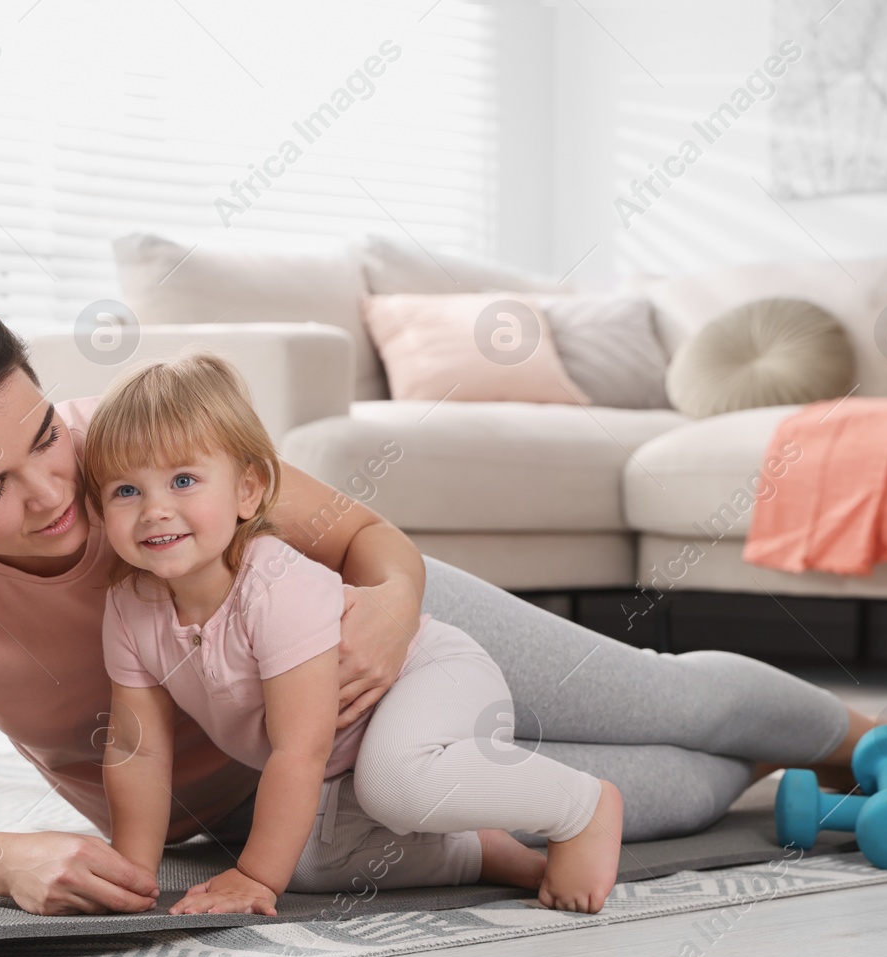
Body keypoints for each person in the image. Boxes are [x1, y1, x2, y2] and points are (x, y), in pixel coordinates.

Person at [0, 291, 887, 916]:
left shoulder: (130, 452)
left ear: (38, 381)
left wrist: (388, 607)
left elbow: (364, 539)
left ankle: (875, 739)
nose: (55, 495)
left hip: (379, 644)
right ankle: (795, 793)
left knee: (662, 694)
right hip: (279, 796)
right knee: (667, 792)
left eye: (40, 435)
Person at [85, 354, 622, 914]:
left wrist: (255, 879)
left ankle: (582, 806)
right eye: (126, 491)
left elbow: (300, 749)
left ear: (248, 491)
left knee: (388, 787)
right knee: (313, 863)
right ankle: (479, 852)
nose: (154, 510)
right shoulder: (129, 606)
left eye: (184, 480)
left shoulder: (272, 584)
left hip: (431, 677)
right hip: (348, 757)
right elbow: (135, 747)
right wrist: (133, 872)